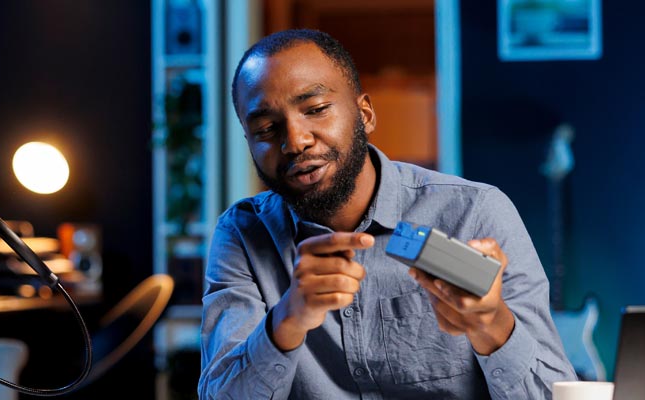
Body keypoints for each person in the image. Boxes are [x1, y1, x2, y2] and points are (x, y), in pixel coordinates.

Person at [198, 29, 576, 399]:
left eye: (315, 110)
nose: (295, 140)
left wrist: (492, 324)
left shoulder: (474, 213)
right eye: (265, 128)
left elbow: (552, 394)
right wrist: (287, 319)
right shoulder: (243, 236)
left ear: (364, 115)